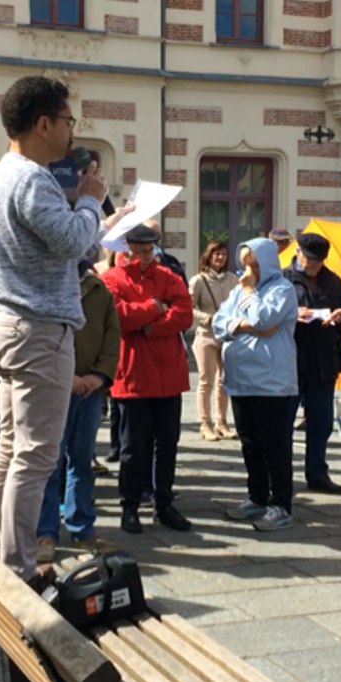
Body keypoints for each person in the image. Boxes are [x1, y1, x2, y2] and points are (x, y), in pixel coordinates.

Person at [0, 75, 108, 586]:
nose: (73, 132)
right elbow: (74, 240)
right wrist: (91, 200)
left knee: (10, 447)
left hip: (8, 322)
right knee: (35, 457)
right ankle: (18, 568)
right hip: (37, 329)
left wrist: (93, 219)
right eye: (69, 120)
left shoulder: (2, 175)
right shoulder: (32, 179)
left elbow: (68, 244)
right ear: (43, 124)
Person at [103, 224, 194, 534]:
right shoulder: (112, 279)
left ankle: (164, 503)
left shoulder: (168, 276)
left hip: (168, 374)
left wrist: (150, 326)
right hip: (134, 375)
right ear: (125, 251)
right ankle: (129, 506)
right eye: (139, 252)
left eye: (149, 251)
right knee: (132, 447)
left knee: (167, 444)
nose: (146, 257)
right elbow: (118, 316)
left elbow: (184, 314)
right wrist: (154, 307)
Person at [35, 251, 121, 562]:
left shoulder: (98, 288)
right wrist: (66, 376)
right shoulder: (46, 283)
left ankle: (82, 527)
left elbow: (112, 334)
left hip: (90, 391)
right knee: (50, 462)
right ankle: (45, 532)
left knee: (82, 462)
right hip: (55, 386)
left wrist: (98, 376)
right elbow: (39, 335)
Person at [214, 237, 299, 531]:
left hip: (271, 382)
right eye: (245, 265)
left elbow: (264, 320)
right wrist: (239, 324)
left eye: (254, 265)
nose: (247, 272)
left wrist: (250, 296)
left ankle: (281, 504)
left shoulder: (282, 289)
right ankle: (257, 496)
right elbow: (218, 323)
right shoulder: (237, 291)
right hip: (241, 380)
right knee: (250, 443)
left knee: (274, 445)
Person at [284, 232, 341, 494]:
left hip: (324, 360)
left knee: (321, 421)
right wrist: (292, 314)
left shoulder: (333, 280)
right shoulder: (283, 279)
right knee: (283, 421)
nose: (314, 266)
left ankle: (317, 473)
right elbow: (266, 316)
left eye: (319, 261)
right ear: (298, 253)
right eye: (310, 260)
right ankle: (281, 475)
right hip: (290, 359)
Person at [189, 240, 238, 441]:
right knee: (205, 381)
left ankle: (222, 422)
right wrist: (207, 318)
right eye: (216, 254)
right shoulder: (198, 280)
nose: (220, 258)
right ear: (208, 256)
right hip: (206, 335)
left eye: (224, 254)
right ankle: (205, 423)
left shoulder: (233, 280)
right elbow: (189, 307)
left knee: (224, 381)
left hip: (227, 336)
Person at [142, 219, 188, 285]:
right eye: (150, 234)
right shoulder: (136, 263)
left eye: (157, 234)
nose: (154, 238)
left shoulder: (172, 262)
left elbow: (183, 287)